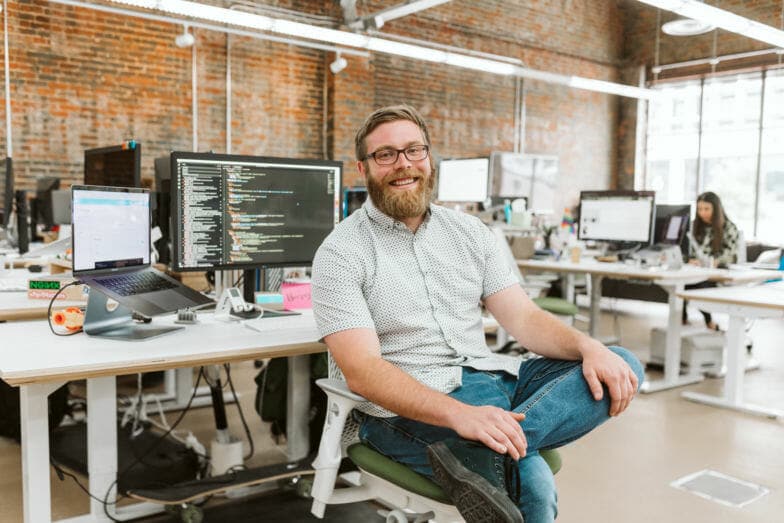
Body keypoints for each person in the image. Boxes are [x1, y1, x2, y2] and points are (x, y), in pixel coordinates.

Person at [311, 104, 644, 523]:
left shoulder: (469, 232)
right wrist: (461, 416)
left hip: (491, 380)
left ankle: (484, 452)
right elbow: (362, 370)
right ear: (363, 168)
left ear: (429, 158)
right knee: (533, 486)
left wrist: (588, 346)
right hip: (405, 407)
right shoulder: (341, 252)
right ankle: (495, 448)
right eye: (386, 155)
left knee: (623, 364)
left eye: (414, 150)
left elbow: (523, 318)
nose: (403, 164)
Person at [683, 191, 740, 330]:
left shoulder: (729, 228)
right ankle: (682, 317)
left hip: (716, 274)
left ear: (716, 209)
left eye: (706, 209)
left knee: (697, 286)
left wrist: (713, 262)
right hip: (694, 271)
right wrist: (690, 260)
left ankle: (707, 320)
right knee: (682, 284)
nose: (702, 213)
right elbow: (685, 251)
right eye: (700, 209)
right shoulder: (694, 226)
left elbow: (730, 256)